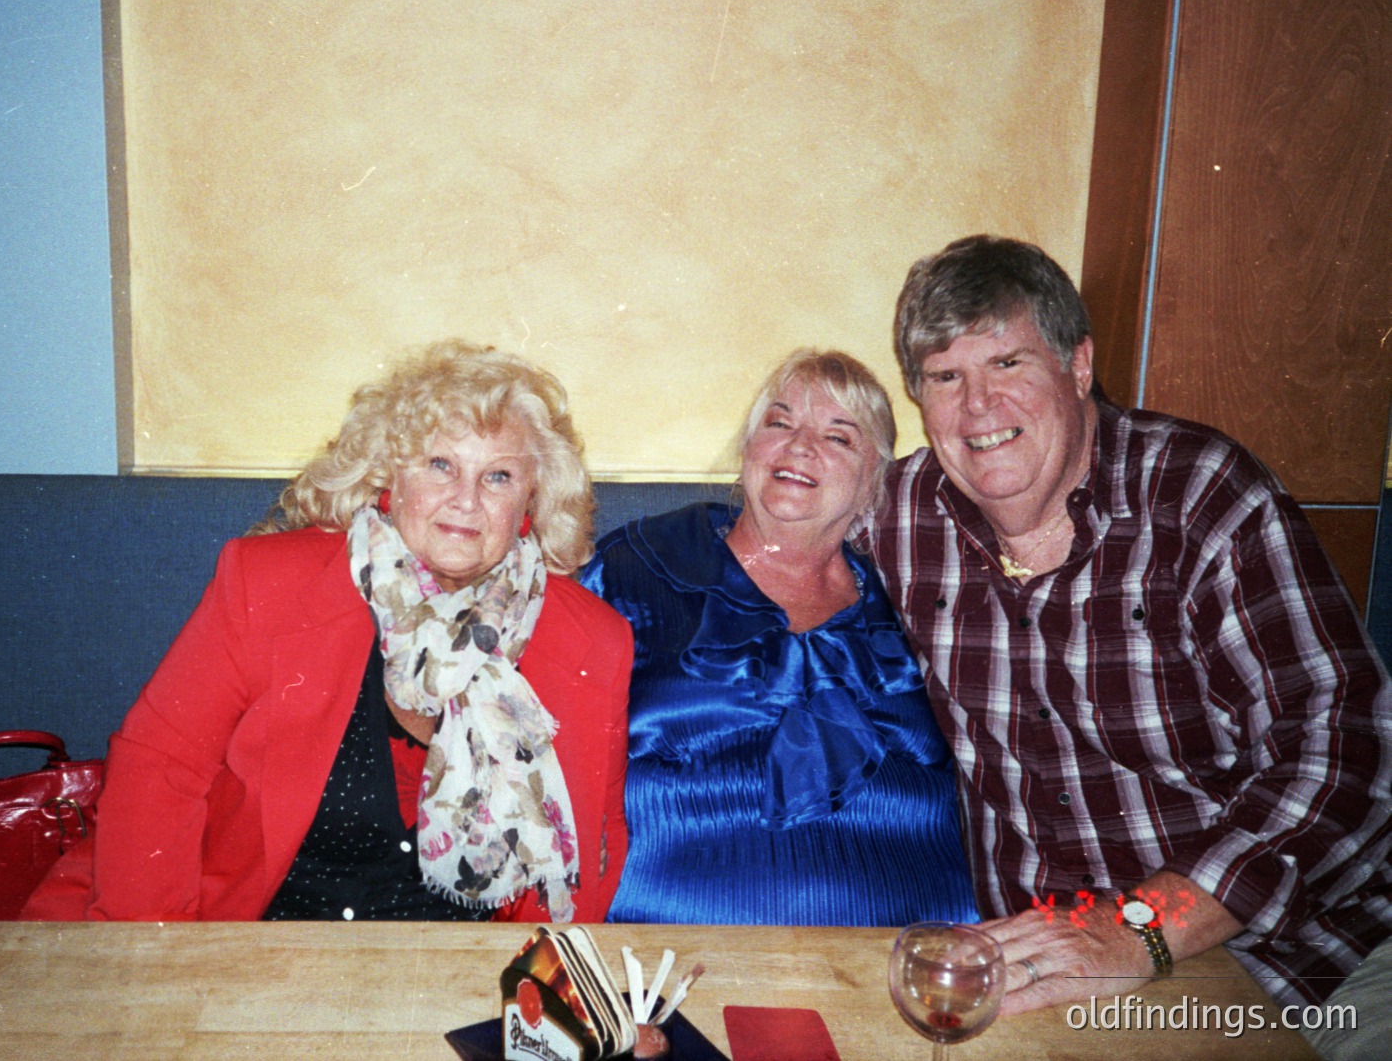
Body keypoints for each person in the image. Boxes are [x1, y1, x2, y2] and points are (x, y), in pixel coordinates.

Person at [860, 234, 1392, 1058]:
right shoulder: (901, 514)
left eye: (1007, 365)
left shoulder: (1201, 494)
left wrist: (1144, 925)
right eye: (944, 378)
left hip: (1297, 955)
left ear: (1078, 366)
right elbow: (762, 551)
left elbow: (1349, 751)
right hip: (1046, 970)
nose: (977, 408)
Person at [24, 340, 632, 924]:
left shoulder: (592, 640)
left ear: (532, 497)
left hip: (458, 971)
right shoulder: (268, 584)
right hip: (252, 935)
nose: (465, 499)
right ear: (389, 478)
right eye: (440, 464)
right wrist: (161, 962)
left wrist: (539, 1003)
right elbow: (159, 769)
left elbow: (593, 842)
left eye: (497, 476)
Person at [578, 349, 978, 926]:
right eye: (780, 423)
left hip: (912, 950)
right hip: (668, 941)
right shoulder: (635, 568)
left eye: (839, 438)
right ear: (747, 452)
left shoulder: (920, 601)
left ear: (875, 483)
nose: (799, 446)